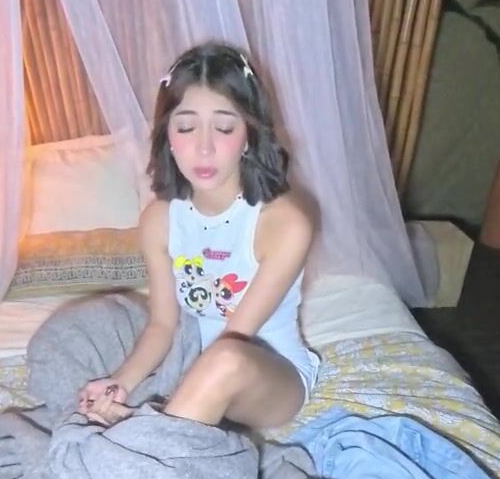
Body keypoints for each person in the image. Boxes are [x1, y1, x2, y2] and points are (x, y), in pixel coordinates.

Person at [77, 41, 320, 432]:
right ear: (168, 137)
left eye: (224, 128)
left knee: (226, 359)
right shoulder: (159, 219)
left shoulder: (284, 223)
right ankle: (156, 436)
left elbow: (236, 336)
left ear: (248, 135)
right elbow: (162, 325)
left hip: (269, 378)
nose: (204, 148)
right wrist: (120, 384)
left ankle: (147, 438)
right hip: (191, 365)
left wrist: (168, 400)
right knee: (83, 327)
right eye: (187, 127)